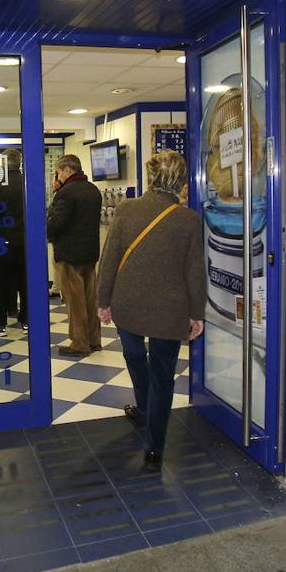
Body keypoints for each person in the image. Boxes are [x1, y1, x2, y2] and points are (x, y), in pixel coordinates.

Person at [97, 150, 206, 469]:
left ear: (152, 175)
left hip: (127, 303)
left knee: (133, 356)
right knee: (163, 375)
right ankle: (154, 446)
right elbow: (194, 272)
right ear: (181, 182)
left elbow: (110, 259)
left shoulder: (127, 209)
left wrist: (103, 301)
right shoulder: (189, 220)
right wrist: (196, 313)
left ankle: (144, 407)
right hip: (169, 309)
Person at [47, 154, 103, 356]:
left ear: (68, 171)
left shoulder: (66, 193)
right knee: (90, 297)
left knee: (74, 300)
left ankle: (79, 343)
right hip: (89, 252)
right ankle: (94, 339)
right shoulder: (93, 190)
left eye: (59, 172)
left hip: (69, 254)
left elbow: (56, 223)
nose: (58, 176)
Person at [0, 148, 27, 335]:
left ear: (2, 163)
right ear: (19, 162)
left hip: (1, 241)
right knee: (25, 283)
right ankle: (26, 320)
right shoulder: (27, 182)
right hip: (25, 241)